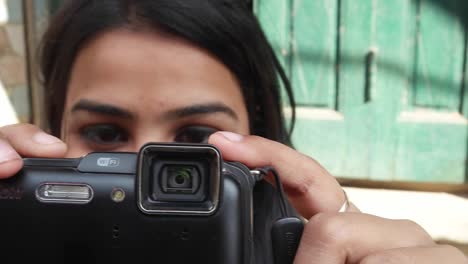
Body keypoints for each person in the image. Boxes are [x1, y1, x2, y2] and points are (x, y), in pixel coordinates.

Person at [0, 0, 466, 263]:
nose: (144, 164)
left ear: (257, 132)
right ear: (53, 135)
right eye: (103, 133)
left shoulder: (301, 250)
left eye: (198, 138)